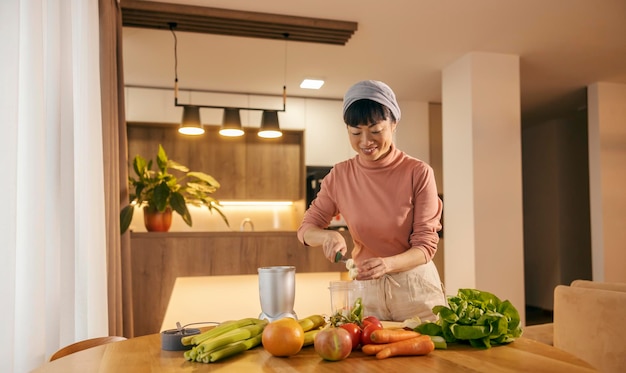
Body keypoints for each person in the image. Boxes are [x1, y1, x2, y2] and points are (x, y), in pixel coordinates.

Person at [296, 80, 446, 322]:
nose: (365, 141)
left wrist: (387, 264)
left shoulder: (418, 172)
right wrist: (326, 236)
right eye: (356, 132)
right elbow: (305, 230)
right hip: (367, 292)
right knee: (366, 359)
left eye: (375, 130)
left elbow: (426, 246)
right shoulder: (339, 175)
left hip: (416, 290)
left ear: (394, 124)